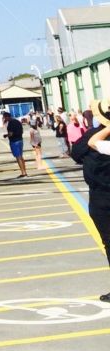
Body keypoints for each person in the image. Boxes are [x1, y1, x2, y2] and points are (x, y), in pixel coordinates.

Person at [70, 99, 110, 301]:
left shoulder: (92, 138)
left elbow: (76, 152)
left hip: (101, 198)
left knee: (109, 243)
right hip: (100, 197)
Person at [1, 112, 28, 178]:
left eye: (4, 117)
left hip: (14, 141)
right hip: (20, 140)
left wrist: (6, 135)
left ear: (6, 117)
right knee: (21, 157)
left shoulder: (11, 123)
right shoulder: (17, 121)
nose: (4, 119)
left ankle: (23, 173)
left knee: (18, 157)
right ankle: (24, 171)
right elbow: (22, 131)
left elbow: (11, 134)